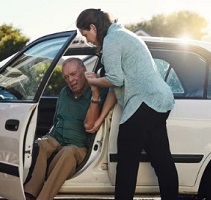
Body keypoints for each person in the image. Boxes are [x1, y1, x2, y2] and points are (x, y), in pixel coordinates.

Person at [76, 8, 179, 200]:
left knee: (126, 162)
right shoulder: (121, 34)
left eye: (86, 34)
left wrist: (93, 81)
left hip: (144, 102)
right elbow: (117, 88)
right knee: (161, 160)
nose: (87, 40)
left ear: (93, 27)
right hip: (158, 101)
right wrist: (99, 119)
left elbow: (115, 80)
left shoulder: (112, 40)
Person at [24, 57, 108, 200]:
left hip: (79, 148)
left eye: (74, 74)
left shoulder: (98, 92)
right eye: (66, 77)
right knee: (41, 143)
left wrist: (95, 94)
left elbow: (91, 126)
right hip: (58, 141)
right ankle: (29, 194)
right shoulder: (64, 93)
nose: (71, 80)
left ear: (84, 70)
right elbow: (56, 121)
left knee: (68, 152)